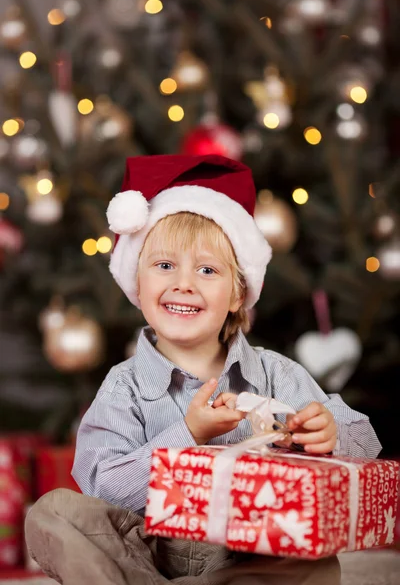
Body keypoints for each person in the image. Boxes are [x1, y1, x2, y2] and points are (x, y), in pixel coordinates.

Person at [25, 155, 381, 585]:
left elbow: (366, 441)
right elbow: (102, 486)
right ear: (137, 282)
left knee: (319, 564)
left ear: (236, 293)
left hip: (243, 552)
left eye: (207, 270)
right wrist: (188, 436)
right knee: (55, 512)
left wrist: (329, 436)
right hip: (145, 550)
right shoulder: (125, 384)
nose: (184, 283)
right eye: (164, 265)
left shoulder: (275, 373)